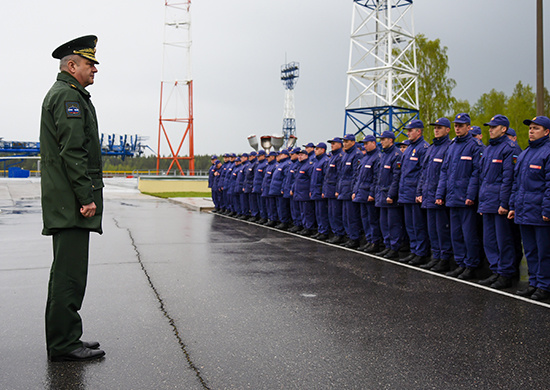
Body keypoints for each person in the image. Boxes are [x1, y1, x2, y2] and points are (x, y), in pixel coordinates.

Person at [41, 35, 105, 361]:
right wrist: (86, 196)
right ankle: (64, 343)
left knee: (68, 272)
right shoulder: (68, 97)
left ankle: (67, 337)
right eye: (89, 63)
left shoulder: (70, 94)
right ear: (71, 65)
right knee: (69, 275)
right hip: (71, 203)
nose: (95, 69)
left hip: (67, 201)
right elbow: (73, 152)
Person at [436, 113, 484, 280]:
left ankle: (471, 265)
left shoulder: (475, 146)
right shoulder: (452, 145)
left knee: (469, 234)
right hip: (452, 196)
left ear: (468, 127)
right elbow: (445, 171)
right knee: (456, 233)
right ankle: (461, 263)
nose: (457, 128)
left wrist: (471, 195)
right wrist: (440, 194)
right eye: (456, 125)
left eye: (461, 125)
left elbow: (476, 172)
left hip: (465, 198)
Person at [509, 116, 550, 300]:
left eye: (536, 128)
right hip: (525, 211)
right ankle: (534, 283)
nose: (531, 131)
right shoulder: (525, 154)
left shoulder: (547, 152)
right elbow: (516, 184)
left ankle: (545, 285)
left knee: (544, 252)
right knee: (531, 251)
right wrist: (513, 206)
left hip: (540, 213)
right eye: (530, 128)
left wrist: (547, 210)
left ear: (547, 132)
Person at [477, 115, 517, 289]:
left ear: (504, 129)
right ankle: (496, 271)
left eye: (494, 127)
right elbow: (483, 177)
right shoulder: (488, 149)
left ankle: (506, 274)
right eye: (489, 127)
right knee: (490, 240)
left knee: (504, 240)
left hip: (499, 203)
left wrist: (504, 203)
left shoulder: (509, 148)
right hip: (487, 201)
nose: (490, 129)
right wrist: (482, 202)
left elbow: (509, 178)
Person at [418, 118, 453, 272]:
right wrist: (420, 191)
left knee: (442, 230)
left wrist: (441, 194)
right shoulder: (431, 148)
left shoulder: (449, 147)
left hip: (439, 197)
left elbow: (446, 174)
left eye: (440, 128)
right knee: (432, 229)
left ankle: (444, 259)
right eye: (435, 128)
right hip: (428, 195)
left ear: (447, 130)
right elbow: (424, 173)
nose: (436, 130)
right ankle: (436, 256)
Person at [398, 119, 431, 266]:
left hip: (414, 193)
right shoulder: (409, 149)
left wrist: (420, 192)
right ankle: (414, 251)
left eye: (411, 130)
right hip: (406, 192)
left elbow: (424, 173)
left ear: (419, 131)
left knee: (418, 225)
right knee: (410, 225)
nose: (408, 133)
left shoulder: (423, 148)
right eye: (408, 130)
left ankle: (421, 253)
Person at [374, 131, 403, 260]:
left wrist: (391, 194)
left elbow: (396, 177)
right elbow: (379, 177)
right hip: (382, 193)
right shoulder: (383, 155)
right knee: (384, 222)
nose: (381, 142)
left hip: (390, 195)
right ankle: (387, 245)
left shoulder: (396, 155)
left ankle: (394, 247)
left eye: (384, 139)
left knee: (393, 223)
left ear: (391, 140)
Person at [352, 135, 382, 253]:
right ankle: (369, 240)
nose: (365, 146)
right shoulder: (365, 158)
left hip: (369, 193)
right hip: (362, 192)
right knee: (365, 219)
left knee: (372, 219)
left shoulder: (377, 157)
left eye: (367, 143)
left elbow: (376, 178)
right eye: (364, 144)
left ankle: (375, 242)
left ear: (374, 143)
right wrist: (355, 191)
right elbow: (358, 177)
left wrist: (372, 193)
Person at [336, 134, 363, 248]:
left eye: (347, 141)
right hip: (344, 190)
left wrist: (354, 191)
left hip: (350, 190)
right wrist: (339, 189)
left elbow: (356, 175)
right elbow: (341, 175)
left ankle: (354, 238)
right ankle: (349, 236)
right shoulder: (345, 155)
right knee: (345, 216)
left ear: (353, 142)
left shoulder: (357, 155)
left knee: (352, 217)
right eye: (344, 141)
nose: (345, 143)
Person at [324, 137, 346, 244]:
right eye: (331, 143)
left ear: (340, 144)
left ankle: (339, 234)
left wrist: (338, 189)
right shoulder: (333, 157)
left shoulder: (340, 157)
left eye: (334, 143)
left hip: (335, 190)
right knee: (331, 213)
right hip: (329, 189)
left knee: (337, 214)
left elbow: (339, 176)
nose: (332, 145)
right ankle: (335, 232)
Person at [310, 143, 330, 241]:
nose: (315, 150)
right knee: (318, 213)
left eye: (317, 149)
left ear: (323, 150)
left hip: (320, 191)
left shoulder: (325, 161)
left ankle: (324, 231)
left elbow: (325, 178)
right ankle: (320, 229)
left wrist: (323, 191)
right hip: (315, 190)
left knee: (322, 213)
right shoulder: (316, 162)